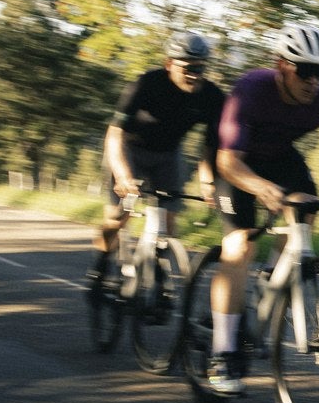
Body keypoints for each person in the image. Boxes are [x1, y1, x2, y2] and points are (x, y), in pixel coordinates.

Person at [207, 23, 319, 396]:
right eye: (306, 71)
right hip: (234, 161)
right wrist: (258, 187)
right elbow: (228, 163)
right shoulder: (251, 90)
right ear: (281, 65)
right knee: (239, 246)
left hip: (279, 157)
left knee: (308, 206)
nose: (314, 81)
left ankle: (270, 279)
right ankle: (223, 352)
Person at [88, 31, 224, 288]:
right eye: (188, 68)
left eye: (200, 68)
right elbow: (114, 134)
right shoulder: (146, 84)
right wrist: (123, 175)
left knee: (169, 223)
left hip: (168, 154)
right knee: (119, 216)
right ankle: (102, 260)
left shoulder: (211, 96)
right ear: (169, 64)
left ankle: (158, 275)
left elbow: (211, 145)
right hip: (130, 149)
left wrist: (208, 183)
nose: (194, 74)